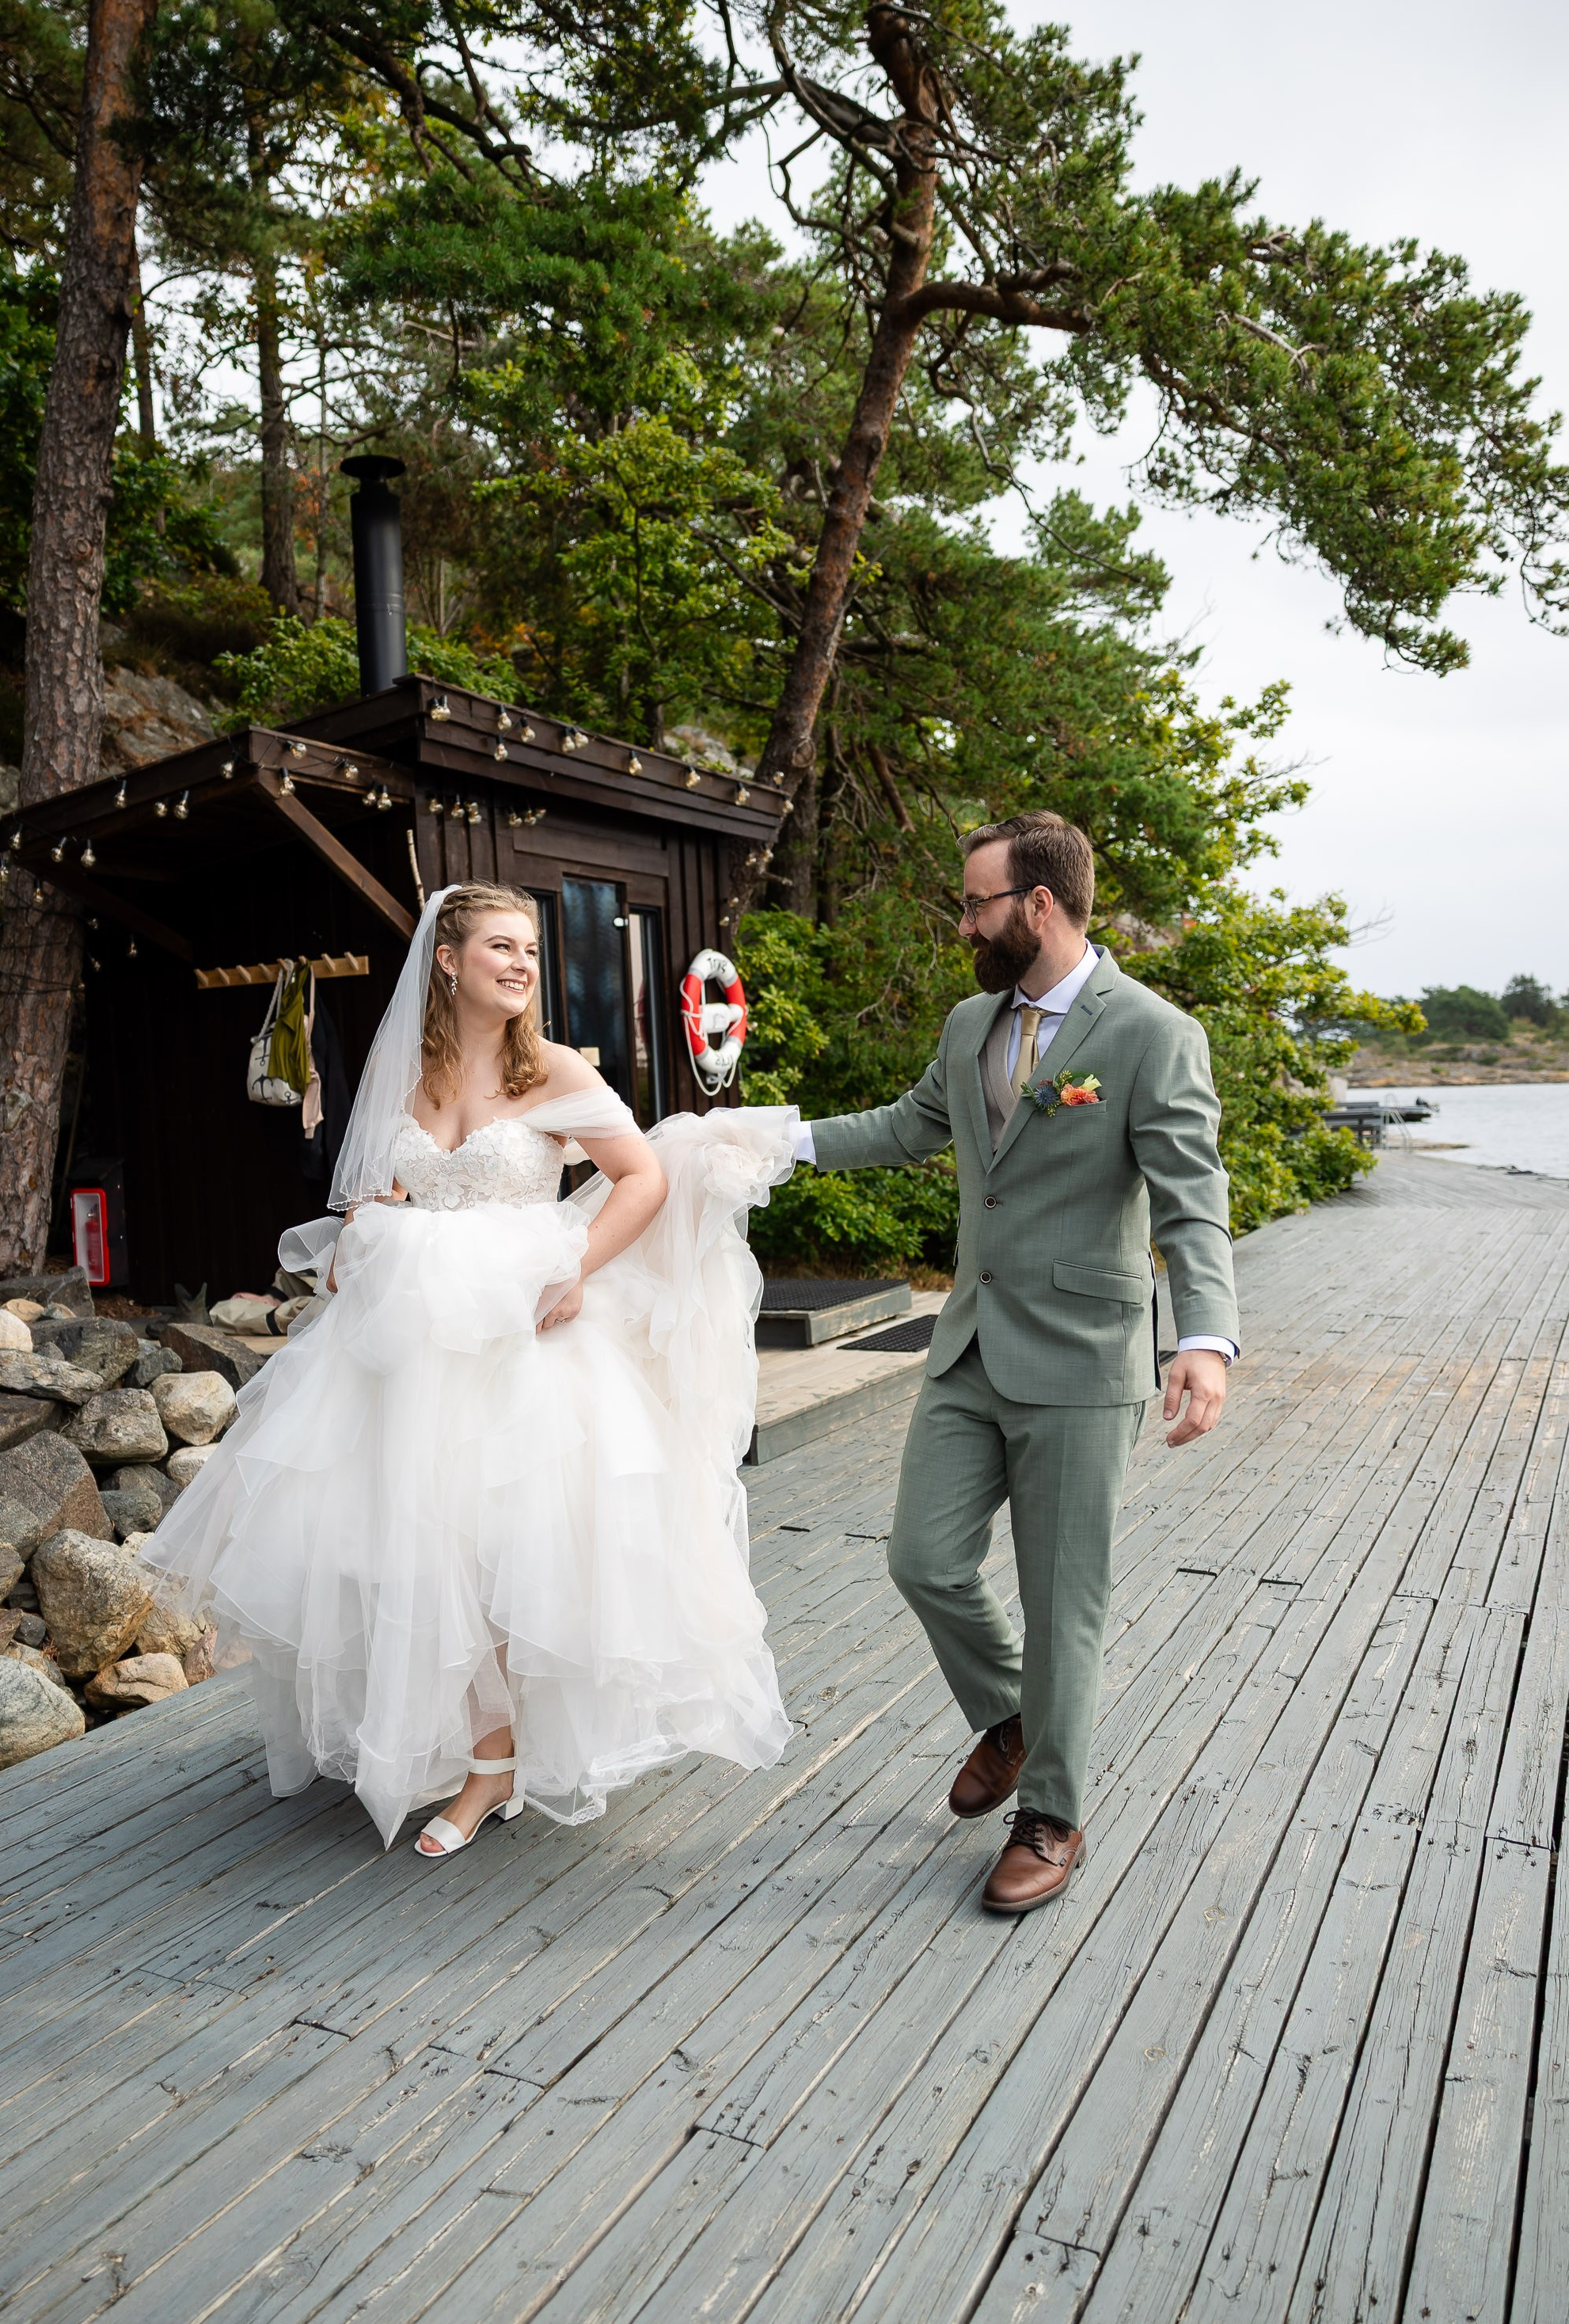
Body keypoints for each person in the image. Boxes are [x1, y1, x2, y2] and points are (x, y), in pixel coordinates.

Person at [140, 881, 796, 1855]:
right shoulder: (409, 1071)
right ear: (447, 961)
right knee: (406, 1545)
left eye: (531, 949)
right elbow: (383, 1187)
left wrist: (577, 1267)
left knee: (502, 1545)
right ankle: (470, 1744)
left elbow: (642, 1177)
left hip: (523, 1336)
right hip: (413, 1343)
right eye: (502, 946)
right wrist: (373, 1222)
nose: (524, 964)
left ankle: (495, 1770)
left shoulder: (555, 1071)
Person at [798, 812, 1240, 1915]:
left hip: (1086, 1363)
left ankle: (1050, 1814)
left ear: (1040, 905)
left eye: (977, 904)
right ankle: (1011, 1717)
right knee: (922, 1559)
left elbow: (1193, 1205)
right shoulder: (968, 1024)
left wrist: (1203, 1338)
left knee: (1063, 1605)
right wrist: (772, 1140)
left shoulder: (1149, 1033)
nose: (965, 924)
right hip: (970, 1349)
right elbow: (909, 1127)